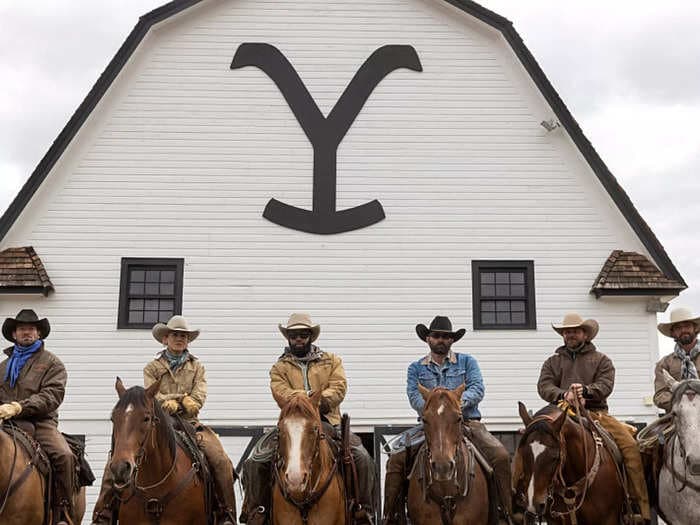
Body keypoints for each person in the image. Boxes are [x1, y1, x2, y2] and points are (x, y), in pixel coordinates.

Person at [92, 315, 237, 525]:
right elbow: (150, 397)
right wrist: (174, 400)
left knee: (220, 459)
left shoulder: (197, 367)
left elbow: (198, 398)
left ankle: (226, 514)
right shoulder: (152, 367)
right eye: (175, 335)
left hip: (190, 424)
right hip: (158, 423)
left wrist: (178, 404)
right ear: (165, 339)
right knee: (115, 460)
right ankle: (103, 513)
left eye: (184, 336)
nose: (180, 339)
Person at [240, 313, 376, 525]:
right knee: (255, 461)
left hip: (327, 420)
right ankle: (259, 509)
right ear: (288, 338)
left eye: (303, 335)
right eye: (294, 335)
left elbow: (338, 387)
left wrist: (318, 402)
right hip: (291, 422)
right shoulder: (279, 368)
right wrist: (306, 399)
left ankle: (363, 509)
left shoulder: (331, 361)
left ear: (311, 336)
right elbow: (280, 391)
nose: (299, 339)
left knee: (362, 457)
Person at [382, 316, 513, 525]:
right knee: (396, 459)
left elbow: (477, 389)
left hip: (466, 421)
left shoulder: (467, 362)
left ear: (452, 340)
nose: (440, 340)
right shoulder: (415, 368)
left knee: (500, 456)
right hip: (430, 424)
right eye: (436, 336)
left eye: (445, 336)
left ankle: (506, 512)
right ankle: (390, 515)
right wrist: (434, 409)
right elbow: (414, 396)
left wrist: (454, 406)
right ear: (428, 339)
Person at [537, 312, 650, 524]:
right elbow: (544, 386)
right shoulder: (552, 362)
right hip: (561, 413)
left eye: (575, 331)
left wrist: (585, 391)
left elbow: (606, 384)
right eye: (566, 331)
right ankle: (528, 502)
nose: (570, 334)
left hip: (597, 414)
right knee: (535, 447)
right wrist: (564, 394)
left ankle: (637, 506)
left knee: (630, 448)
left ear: (585, 334)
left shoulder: (602, 360)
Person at [0, 309, 76, 525]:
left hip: (40, 422)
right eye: (22, 329)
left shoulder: (52, 363)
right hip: (6, 423)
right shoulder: (3, 367)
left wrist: (17, 407)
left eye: (31, 329)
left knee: (65, 456)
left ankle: (62, 512)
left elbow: (52, 396)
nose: (27, 332)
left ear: (39, 333)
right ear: (14, 334)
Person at [654, 307, 700, 412]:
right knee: (653, 429)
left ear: (695, 328)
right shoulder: (664, 364)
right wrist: (682, 400)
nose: (683, 330)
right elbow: (659, 395)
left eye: (687, 326)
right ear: (673, 333)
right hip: (677, 414)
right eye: (678, 328)